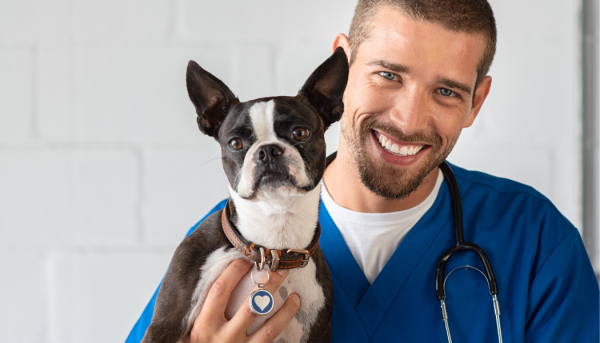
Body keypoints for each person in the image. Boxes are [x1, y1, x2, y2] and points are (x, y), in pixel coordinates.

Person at [127, 0, 600, 342]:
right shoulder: (225, 241)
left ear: (477, 101)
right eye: (389, 75)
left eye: (447, 92)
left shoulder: (537, 241)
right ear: (344, 69)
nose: (408, 120)